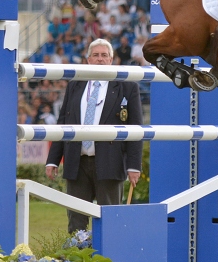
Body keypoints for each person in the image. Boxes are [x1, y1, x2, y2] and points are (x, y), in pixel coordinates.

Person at [45, 39, 144, 233]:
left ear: (111, 60)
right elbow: (63, 123)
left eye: (104, 55)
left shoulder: (127, 87)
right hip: (77, 163)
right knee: (76, 224)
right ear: (88, 59)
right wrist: (53, 160)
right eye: (96, 55)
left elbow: (136, 129)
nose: (100, 59)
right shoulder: (75, 85)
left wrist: (133, 166)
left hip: (110, 162)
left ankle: (110, 261)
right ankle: (76, 261)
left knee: (110, 221)